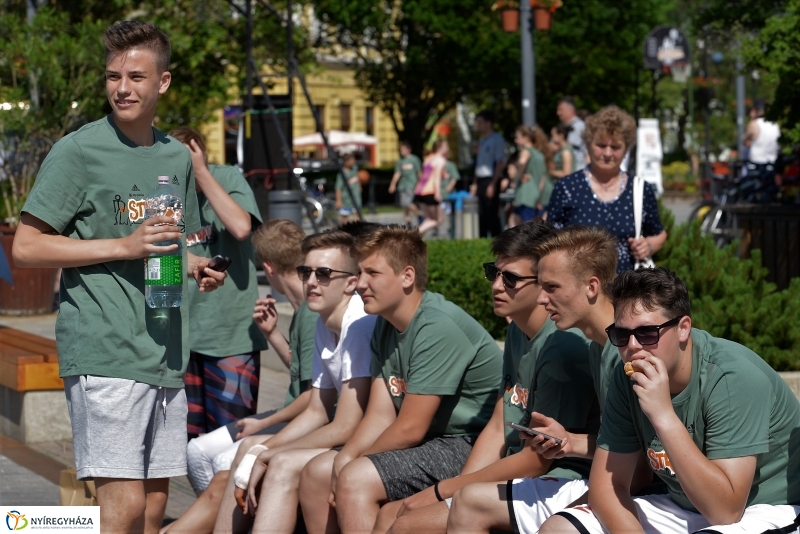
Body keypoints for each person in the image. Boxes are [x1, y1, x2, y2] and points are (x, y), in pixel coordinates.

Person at [12, 21, 225, 533]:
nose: (122, 88)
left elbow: (166, 242)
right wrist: (123, 246)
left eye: (135, 76)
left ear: (163, 83)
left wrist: (193, 266)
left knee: (152, 510)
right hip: (105, 347)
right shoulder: (78, 150)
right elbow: (26, 246)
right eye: (113, 76)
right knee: (122, 507)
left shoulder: (175, 156)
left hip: (165, 349)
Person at [375, 221, 597, 534]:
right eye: (494, 272)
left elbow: (538, 460)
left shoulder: (561, 347)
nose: (496, 285)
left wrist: (446, 491)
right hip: (518, 473)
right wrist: (454, 491)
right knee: (390, 515)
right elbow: (498, 423)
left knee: (406, 524)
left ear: (545, 282)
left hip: (563, 480)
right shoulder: (517, 331)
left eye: (511, 279)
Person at [540, 267, 800, 534]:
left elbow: (726, 511)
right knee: (558, 528)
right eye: (621, 334)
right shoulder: (627, 374)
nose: (632, 347)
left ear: (683, 328)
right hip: (682, 504)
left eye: (647, 333)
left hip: (763, 508)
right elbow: (607, 487)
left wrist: (663, 415)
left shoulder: (731, 377)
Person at [297, 225, 503, 534]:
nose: (360, 284)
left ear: (407, 276)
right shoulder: (384, 324)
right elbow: (381, 414)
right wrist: (348, 455)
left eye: (372, 273)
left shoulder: (436, 326)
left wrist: (353, 462)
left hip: (469, 443)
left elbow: (409, 428)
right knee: (318, 471)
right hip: (432, 440)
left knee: (355, 478)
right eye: (359, 272)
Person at [442, 225, 629, 534]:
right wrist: (568, 441)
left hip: (617, 486)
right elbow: (623, 445)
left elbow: (638, 471)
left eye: (552, 287)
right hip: (608, 479)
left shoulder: (615, 350)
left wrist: (447, 490)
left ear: (591, 286)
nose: (542, 299)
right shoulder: (599, 346)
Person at [214, 229, 376, 534]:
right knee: (249, 447)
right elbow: (317, 409)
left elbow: (347, 424)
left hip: (371, 439)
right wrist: (259, 452)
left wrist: (269, 453)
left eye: (324, 273)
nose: (312, 281)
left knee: (281, 464)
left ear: (351, 283)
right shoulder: (323, 319)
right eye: (306, 272)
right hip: (350, 436)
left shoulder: (358, 326)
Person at [177, 219, 317, 494]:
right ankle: (216, 517)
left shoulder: (312, 313)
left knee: (221, 461)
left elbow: (317, 394)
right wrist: (272, 332)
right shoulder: (303, 309)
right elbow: (304, 370)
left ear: (267, 268)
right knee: (196, 451)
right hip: (294, 415)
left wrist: (264, 422)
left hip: (306, 420)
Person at [168, 126, 267, 438]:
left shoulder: (226, 179)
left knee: (228, 443)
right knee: (189, 447)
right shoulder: (164, 194)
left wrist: (202, 175)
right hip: (180, 340)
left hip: (230, 338)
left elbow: (241, 228)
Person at [546, 105, 667, 273]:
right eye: (601, 145)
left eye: (616, 147)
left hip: (625, 291)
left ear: (626, 150)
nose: (608, 153)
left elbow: (658, 234)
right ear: (588, 145)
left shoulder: (640, 189)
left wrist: (647, 246)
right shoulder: (567, 187)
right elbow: (550, 238)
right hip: (578, 289)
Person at [471, 110, 506, 238]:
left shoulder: (497, 139)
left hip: (490, 179)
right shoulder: (481, 141)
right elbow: (479, 164)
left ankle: (497, 242)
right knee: (481, 214)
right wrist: (475, 183)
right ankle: (482, 240)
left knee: (491, 213)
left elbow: (499, 163)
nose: (478, 125)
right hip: (480, 179)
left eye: (480, 122)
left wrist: (492, 184)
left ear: (488, 123)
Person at [509, 126, 549, 226]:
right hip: (536, 193)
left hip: (526, 194)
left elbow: (522, 162)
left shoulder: (526, 151)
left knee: (527, 226)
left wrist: (520, 174)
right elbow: (543, 177)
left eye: (517, 137)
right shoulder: (539, 154)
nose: (515, 140)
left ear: (526, 137)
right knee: (514, 220)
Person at [414, 140, 448, 236]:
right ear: (440, 148)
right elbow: (436, 177)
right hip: (430, 191)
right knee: (438, 220)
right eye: (446, 146)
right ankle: (414, 234)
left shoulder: (428, 158)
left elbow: (424, 175)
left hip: (420, 191)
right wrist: (438, 193)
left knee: (429, 219)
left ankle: (416, 238)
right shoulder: (441, 160)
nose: (448, 148)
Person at [388, 141, 421, 226]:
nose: (401, 151)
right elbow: (397, 173)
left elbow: (419, 173)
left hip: (411, 184)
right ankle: (408, 222)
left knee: (407, 202)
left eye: (403, 149)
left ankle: (420, 215)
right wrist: (392, 184)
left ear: (409, 150)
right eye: (401, 150)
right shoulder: (400, 161)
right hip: (402, 185)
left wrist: (420, 184)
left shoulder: (414, 159)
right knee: (404, 205)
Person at [744, 99, 780, 166]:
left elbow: (746, 142)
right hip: (772, 162)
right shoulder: (775, 124)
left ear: (755, 110)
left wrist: (752, 118)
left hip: (756, 162)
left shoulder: (754, 124)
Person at [557, 97, 587, 170]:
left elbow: (567, 146)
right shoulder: (565, 126)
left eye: (561, 110)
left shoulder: (578, 126)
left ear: (571, 111)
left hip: (576, 170)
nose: (558, 113)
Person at [335, 153, 361, 223]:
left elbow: (357, 178)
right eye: (352, 160)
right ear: (346, 161)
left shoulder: (354, 169)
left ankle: (358, 230)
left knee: (357, 215)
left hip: (355, 197)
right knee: (345, 217)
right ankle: (345, 232)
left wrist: (359, 187)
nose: (354, 162)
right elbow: (338, 188)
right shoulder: (342, 174)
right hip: (346, 199)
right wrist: (338, 200)